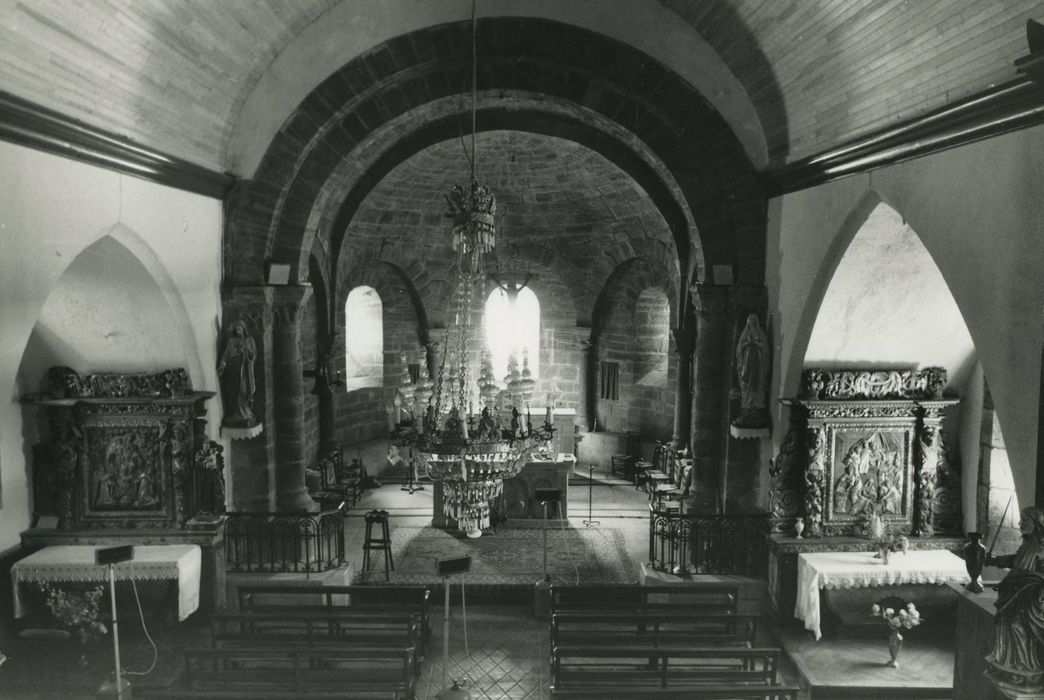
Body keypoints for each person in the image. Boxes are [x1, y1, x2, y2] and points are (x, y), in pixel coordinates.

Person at [985, 506, 1044, 689]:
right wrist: (995, 560)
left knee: (1016, 626)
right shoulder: (1027, 544)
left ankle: (1025, 666)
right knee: (1004, 624)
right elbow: (1015, 561)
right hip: (1015, 593)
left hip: (1029, 598)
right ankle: (1008, 662)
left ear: (1036, 523)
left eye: (1024, 520)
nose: (1020, 524)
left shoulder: (1041, 548)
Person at [217, 319, 258, 426]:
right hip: (233, 371)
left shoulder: (249, 340)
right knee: (234, 392)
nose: (238, 332)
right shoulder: (231, 341)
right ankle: (235, 414)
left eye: (239, 329)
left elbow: (253, 355)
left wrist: (245, 352)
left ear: (244, 329)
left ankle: (247, 413)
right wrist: (222, 365)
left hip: (245, 371)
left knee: (243, 390)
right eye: (236, 330)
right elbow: (226, 354)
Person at [734, 313, 768, 427]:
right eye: (750, 319)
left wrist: (756, 343)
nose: (751, 321)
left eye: (753, 319)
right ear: (747, 321)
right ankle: (746, 405)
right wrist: (747, 343)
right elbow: (739, 348)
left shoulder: (760, 333)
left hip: (757, 363)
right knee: (746, 384)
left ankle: (756, 405)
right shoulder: (745, 333)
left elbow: (765, 348)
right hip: (747, 363)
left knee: (758, 384)